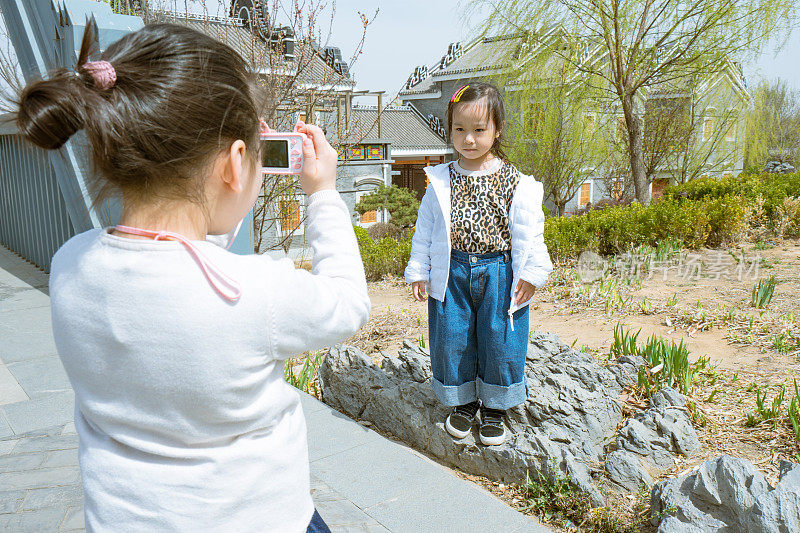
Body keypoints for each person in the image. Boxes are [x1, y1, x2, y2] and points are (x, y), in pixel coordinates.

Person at [16, 22, 369, 532]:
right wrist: (323, 194)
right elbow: (347, 301)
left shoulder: (72, 265)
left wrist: (233, 166)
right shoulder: (254, 292)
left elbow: (178, 260)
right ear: (236, 162)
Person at [405, 82, 552, 446]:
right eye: (460, 129)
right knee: (452, 336)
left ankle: (496, 407)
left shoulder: (516, 182)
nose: (468, 139)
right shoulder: (441, 179)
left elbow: (533, 232)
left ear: (497, 129)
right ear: (449, 129)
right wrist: (418, 269)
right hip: (452, 270)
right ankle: (463, 401)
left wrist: (532, 273)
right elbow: (426, 228)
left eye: (479, 130)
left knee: (500, 336)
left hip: (499, 271)